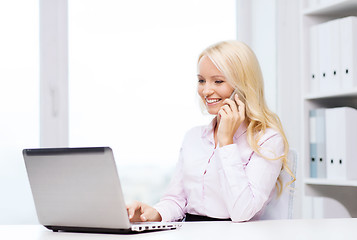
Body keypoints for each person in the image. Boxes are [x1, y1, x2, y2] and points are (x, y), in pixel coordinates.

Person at [126, 40, 295, 223]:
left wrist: (226, 142)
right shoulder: (193, 137)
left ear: (243, 86)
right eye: (201, 80)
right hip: (191, 232)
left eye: (218, 81)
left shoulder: (267, 140)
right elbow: (176, 200)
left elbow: (242, 212)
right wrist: (153, 214)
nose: (206, 90)